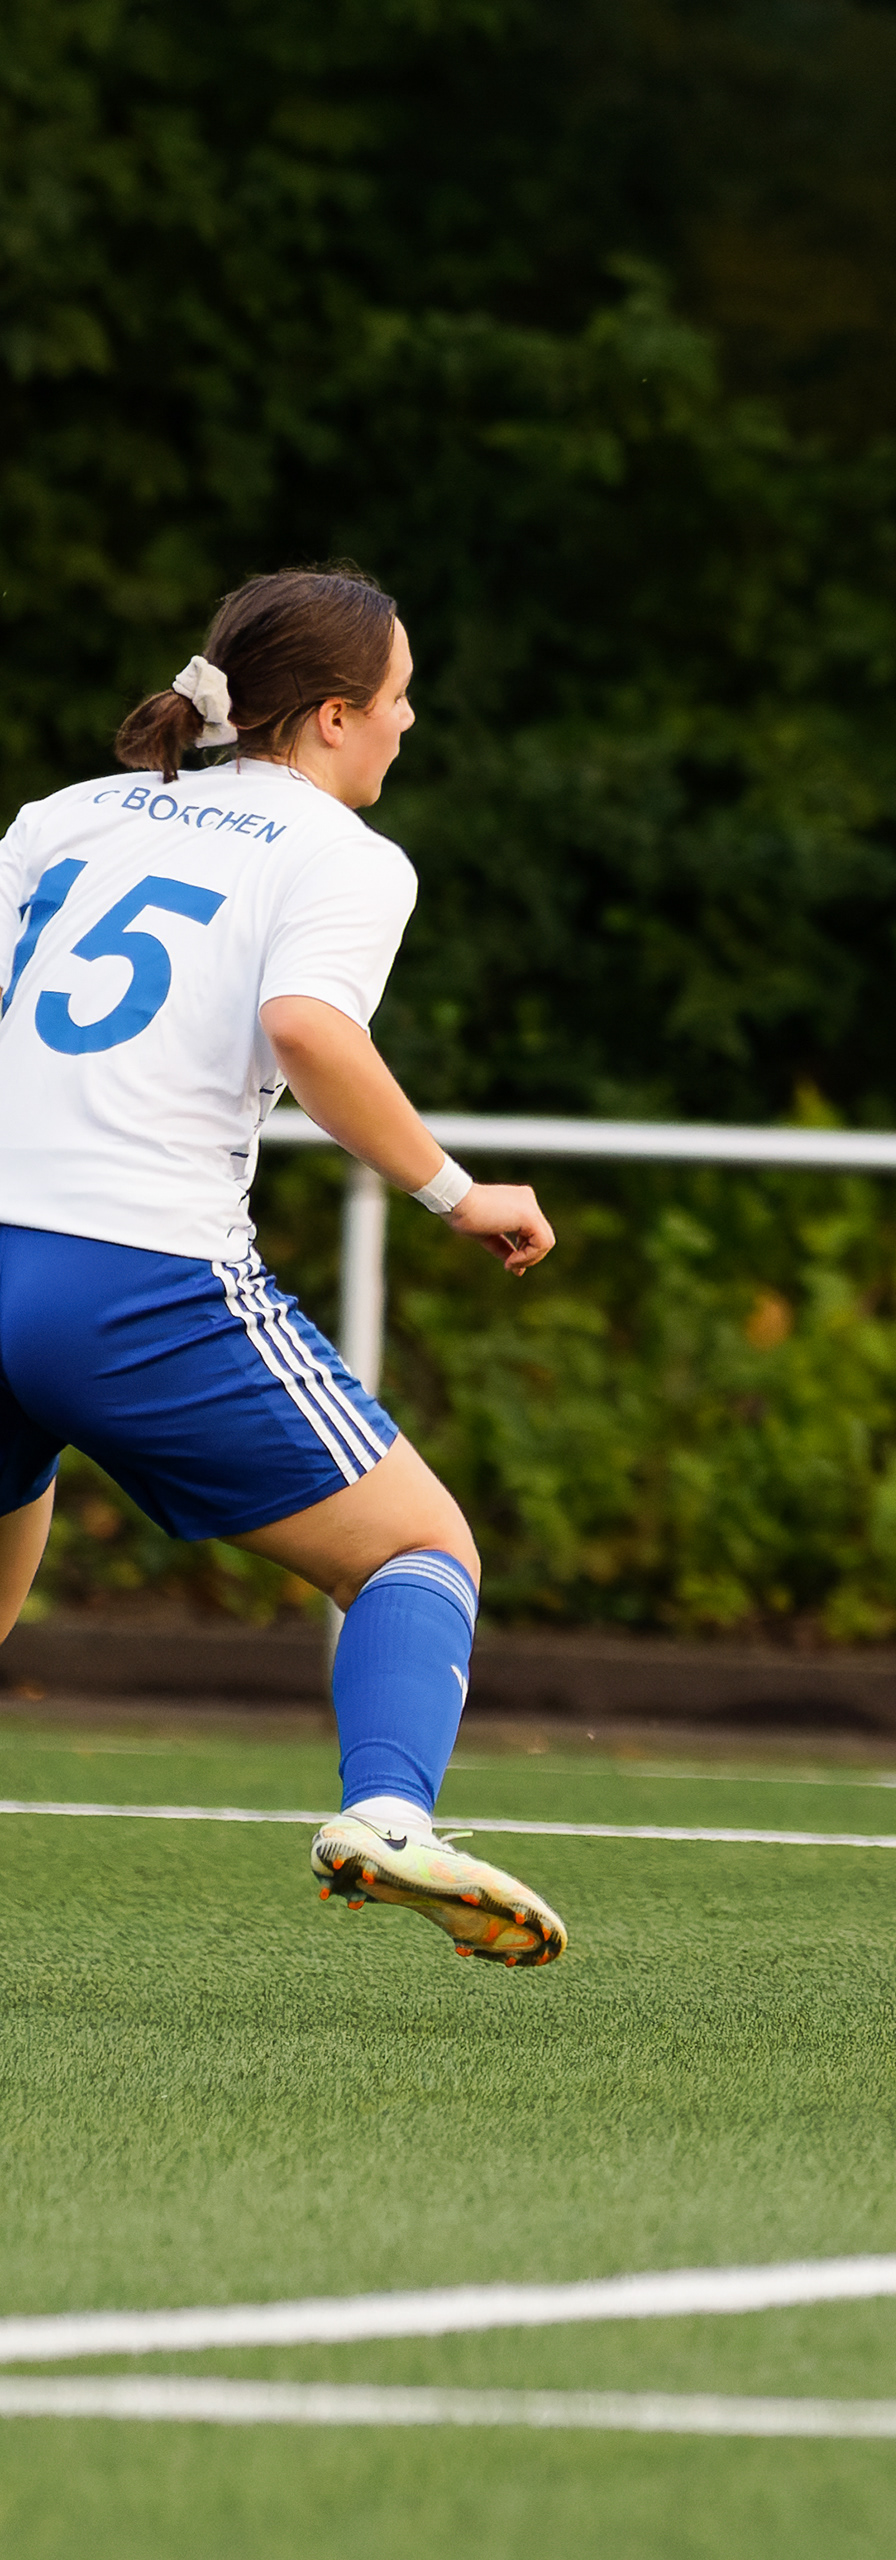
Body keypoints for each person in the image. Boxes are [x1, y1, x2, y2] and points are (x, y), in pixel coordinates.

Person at [0, 567, 566, 1963]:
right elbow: (310, 1031)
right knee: (419, 1551)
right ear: (330, 715)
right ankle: (387, 1815)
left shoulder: (64, 814)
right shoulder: (344, 856)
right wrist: (454, 1192)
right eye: (399, 697)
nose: (410, 722)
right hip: (129, 1278)